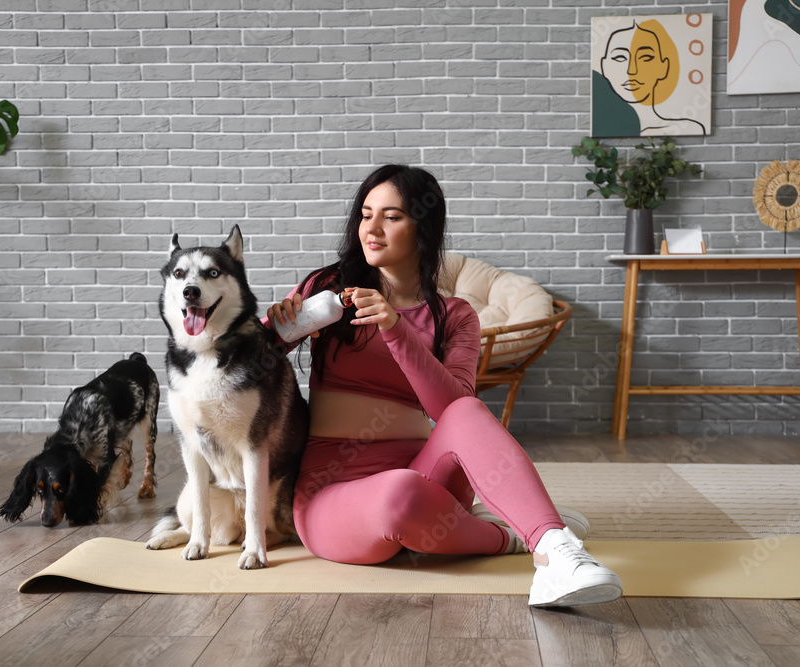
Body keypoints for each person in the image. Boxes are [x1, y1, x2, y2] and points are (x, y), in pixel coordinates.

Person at [264, 164, 622, 607]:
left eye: (391, 217)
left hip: (429, 475)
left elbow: (450, 407)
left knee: (467, 410)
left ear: (424, 229)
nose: (371, 228)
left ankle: (554, 552)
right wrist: (275, 331)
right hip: (332, 493)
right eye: (365, 214)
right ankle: (507, 535)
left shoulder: (454, 315)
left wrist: (396, 328)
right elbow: (244, 361)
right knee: (400, 493)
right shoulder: (329, 290)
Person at [598, 20, 705, 136]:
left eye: (645, 57)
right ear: (604, 66)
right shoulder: (605, 128)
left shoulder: (689, 128)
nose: (632, 70)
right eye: (620, 58)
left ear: (663, 67)